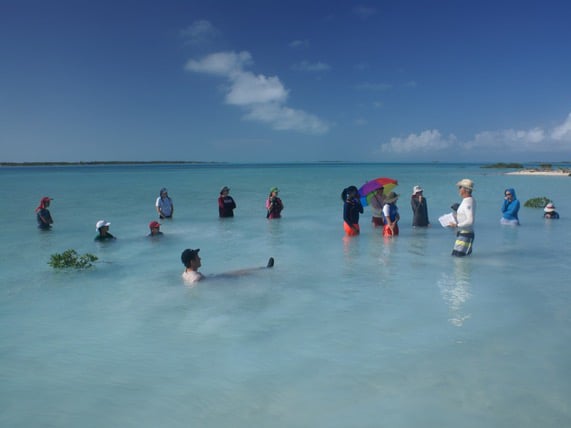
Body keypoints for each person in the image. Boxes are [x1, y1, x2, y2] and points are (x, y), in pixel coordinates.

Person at [181, 248, 274, 284]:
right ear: (192, 262)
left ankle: (264, 268)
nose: (200, 258)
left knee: (240, 271)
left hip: (213, 277)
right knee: (243, 273)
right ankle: (266, 269)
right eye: (198, 257)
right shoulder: (197, 278)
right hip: (217, 279)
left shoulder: (185, 274)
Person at [449, 179, 476, 257]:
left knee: (459, 260)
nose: (459, 189)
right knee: (457, 259)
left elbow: (470, 221)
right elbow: (465, 215)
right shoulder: (467, 200)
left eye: (460, 187)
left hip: (466, 235)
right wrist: (457, 217)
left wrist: (456, 226)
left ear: (466, 190)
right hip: (463, 234)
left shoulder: (468, 201)